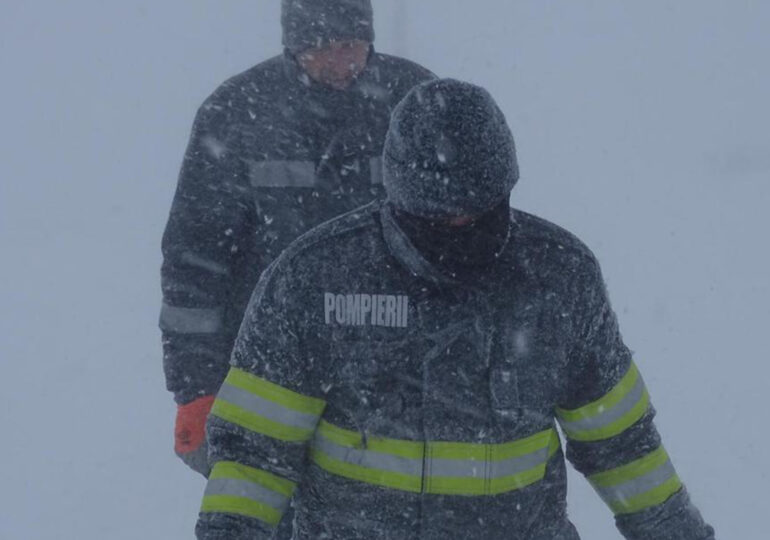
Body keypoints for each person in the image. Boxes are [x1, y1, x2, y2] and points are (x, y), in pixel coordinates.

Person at [194, 78, 716, 539]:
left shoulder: (559, 279)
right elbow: (254, 455)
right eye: (439, 220)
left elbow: (622, 446)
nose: (460, 230)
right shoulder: (315, 279)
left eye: (479, 213)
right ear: (398, 197)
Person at [160, 0, 434, 478]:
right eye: (323, 49)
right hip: (270, 374)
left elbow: (468, 236)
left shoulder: (418, 102)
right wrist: (195, 391)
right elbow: (195, 264)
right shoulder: (236, 115)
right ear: (294, 45)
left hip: (401, 379)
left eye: (353, 45)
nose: (341, 62)